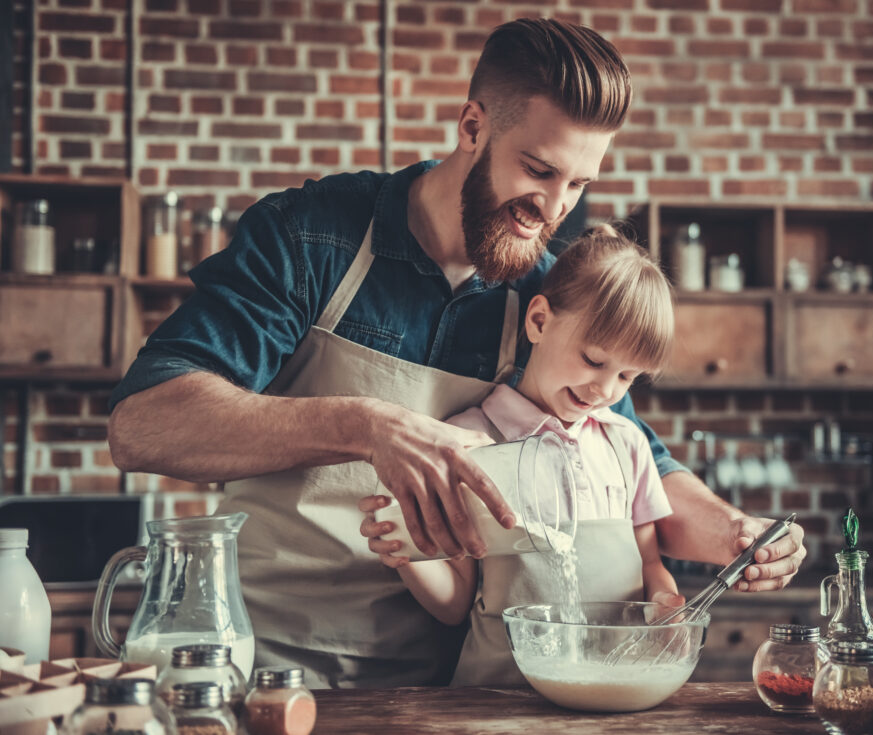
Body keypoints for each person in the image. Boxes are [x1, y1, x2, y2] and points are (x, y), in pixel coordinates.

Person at [107, 18, 806, 688]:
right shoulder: (312, 239)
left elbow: (629, 461)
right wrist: (365, 426)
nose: (555, 208)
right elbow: (143, 422)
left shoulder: (545, 293)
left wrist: (739, 533)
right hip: (272, 662)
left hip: (438, 688)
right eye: (539, 169)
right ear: (472, 126)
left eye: (579, 184)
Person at [368, 225, 687, 686]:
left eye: (627, 377)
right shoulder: (467, 444)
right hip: (496, 698)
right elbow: (456, 604)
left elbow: (650, 565)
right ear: (538, 321)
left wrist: (666, 604)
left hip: (610, 693)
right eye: (594, 361)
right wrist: (404, 556)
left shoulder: (627, 445)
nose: (604, 390)